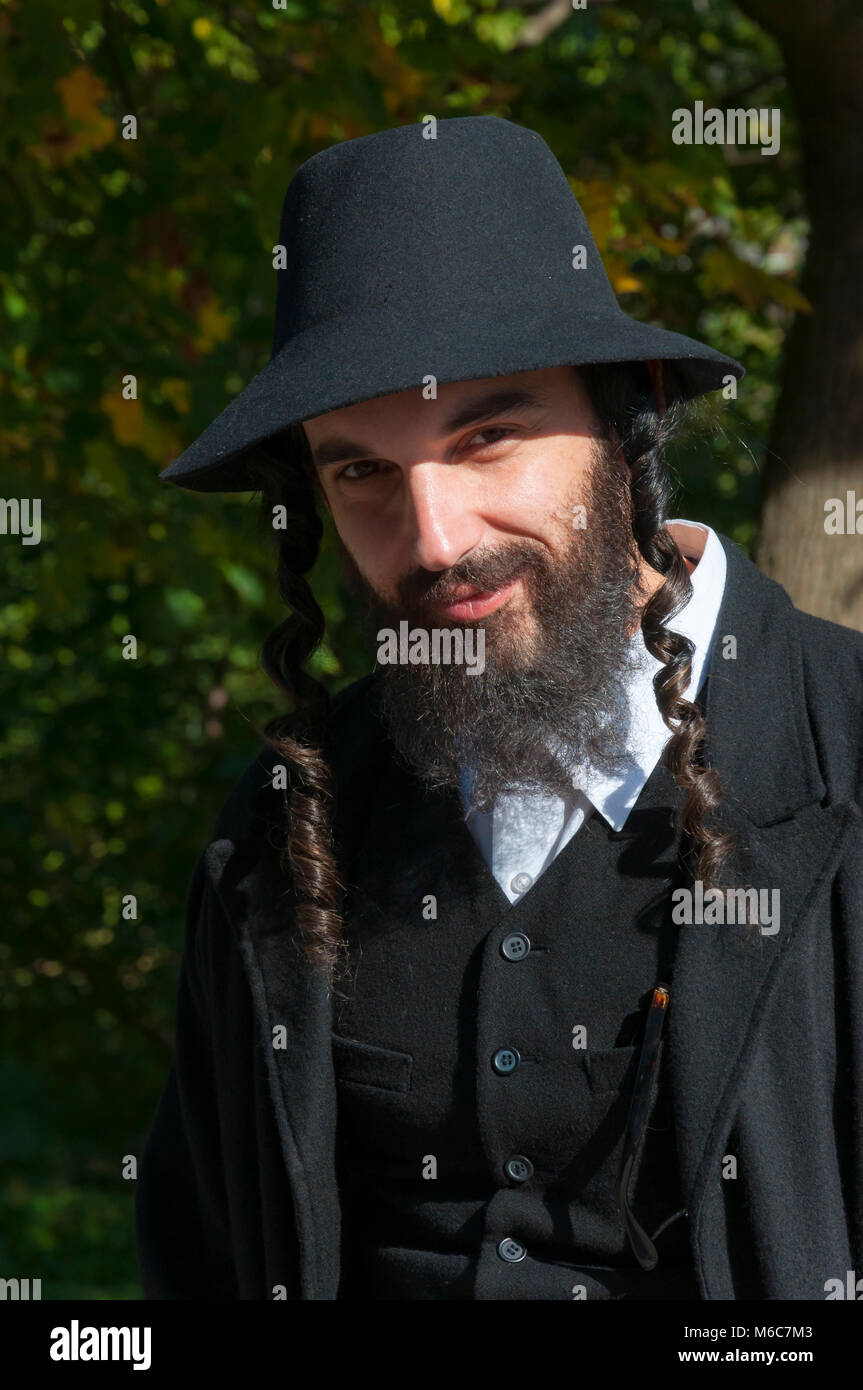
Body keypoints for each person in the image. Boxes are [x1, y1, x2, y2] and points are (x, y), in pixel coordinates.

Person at [136, 116, 863, 1300]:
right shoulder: (282, 831)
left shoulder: (845, 750)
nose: (433, 540)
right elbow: (204, 1255)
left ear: (624, 420)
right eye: (360, 470)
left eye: (486, 438)